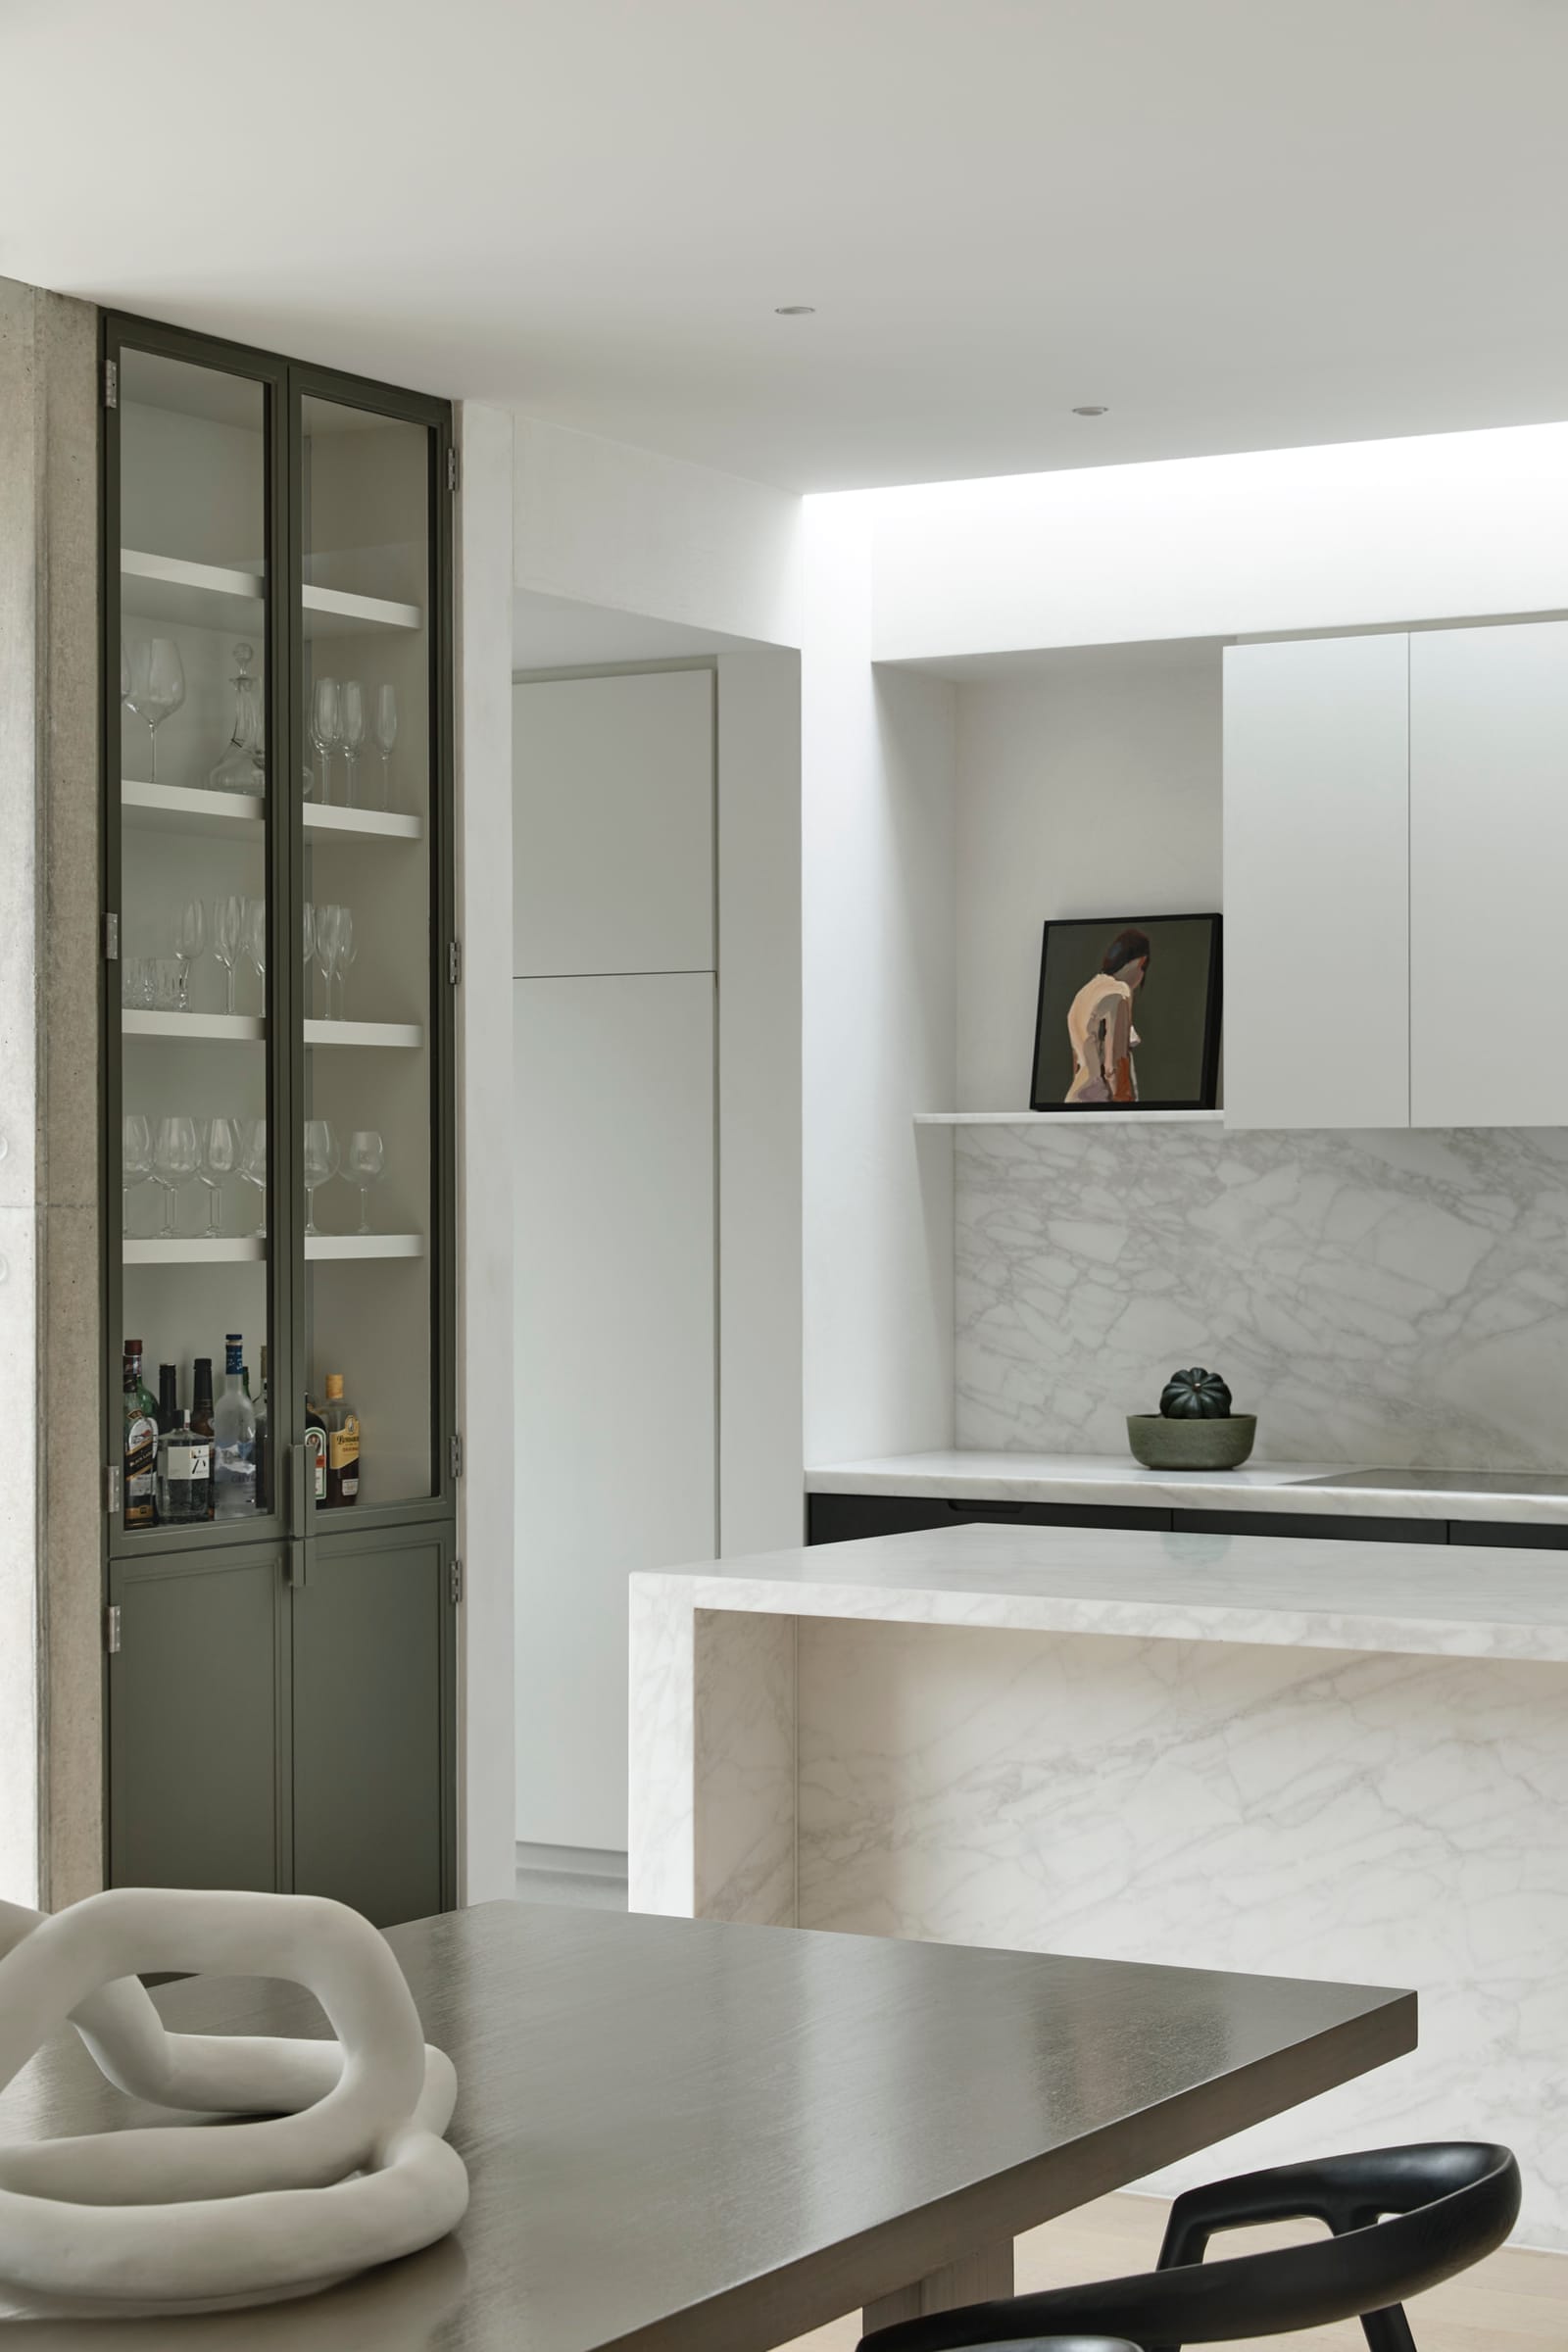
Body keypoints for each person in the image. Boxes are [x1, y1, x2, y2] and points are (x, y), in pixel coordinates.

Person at [1064, 927, 1151, 1102]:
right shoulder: (1118, 993)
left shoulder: (1084, 994)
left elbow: (1077, 1064)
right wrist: (1128, 1109)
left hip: (1075, 1100)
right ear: (1141, 962)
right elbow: (1115, 1066)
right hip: (1102, 1103)